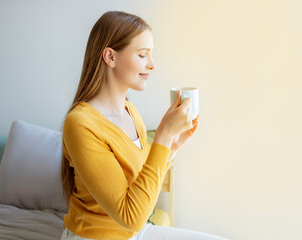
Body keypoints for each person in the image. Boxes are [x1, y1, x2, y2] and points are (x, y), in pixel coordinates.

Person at [60, 10, 228, 240]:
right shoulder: (80, 124)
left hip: (135, 232)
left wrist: (172, 146)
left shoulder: (130, 111)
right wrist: (162, 136)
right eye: (142, 55)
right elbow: (131, 215)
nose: (152, 65)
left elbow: (142, 184)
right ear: (110, 57)